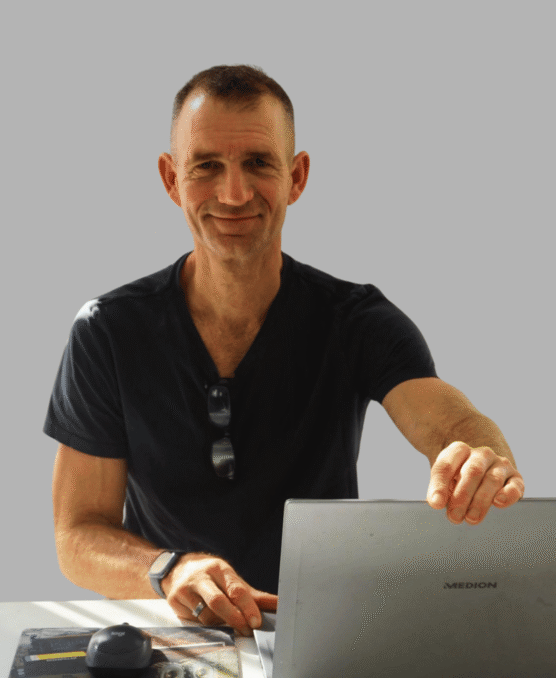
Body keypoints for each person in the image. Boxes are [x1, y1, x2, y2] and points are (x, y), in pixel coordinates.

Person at [45, 65, 525, 638]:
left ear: (296, 177)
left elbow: (452, 423)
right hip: (176, 637)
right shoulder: (108, 330)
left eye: (258, 163)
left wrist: (481, 456)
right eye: (206, 166)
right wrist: (169, 569)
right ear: (171, 180)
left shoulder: (358, 320)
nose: (234, 193)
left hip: (327, 636)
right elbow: (77, 535)